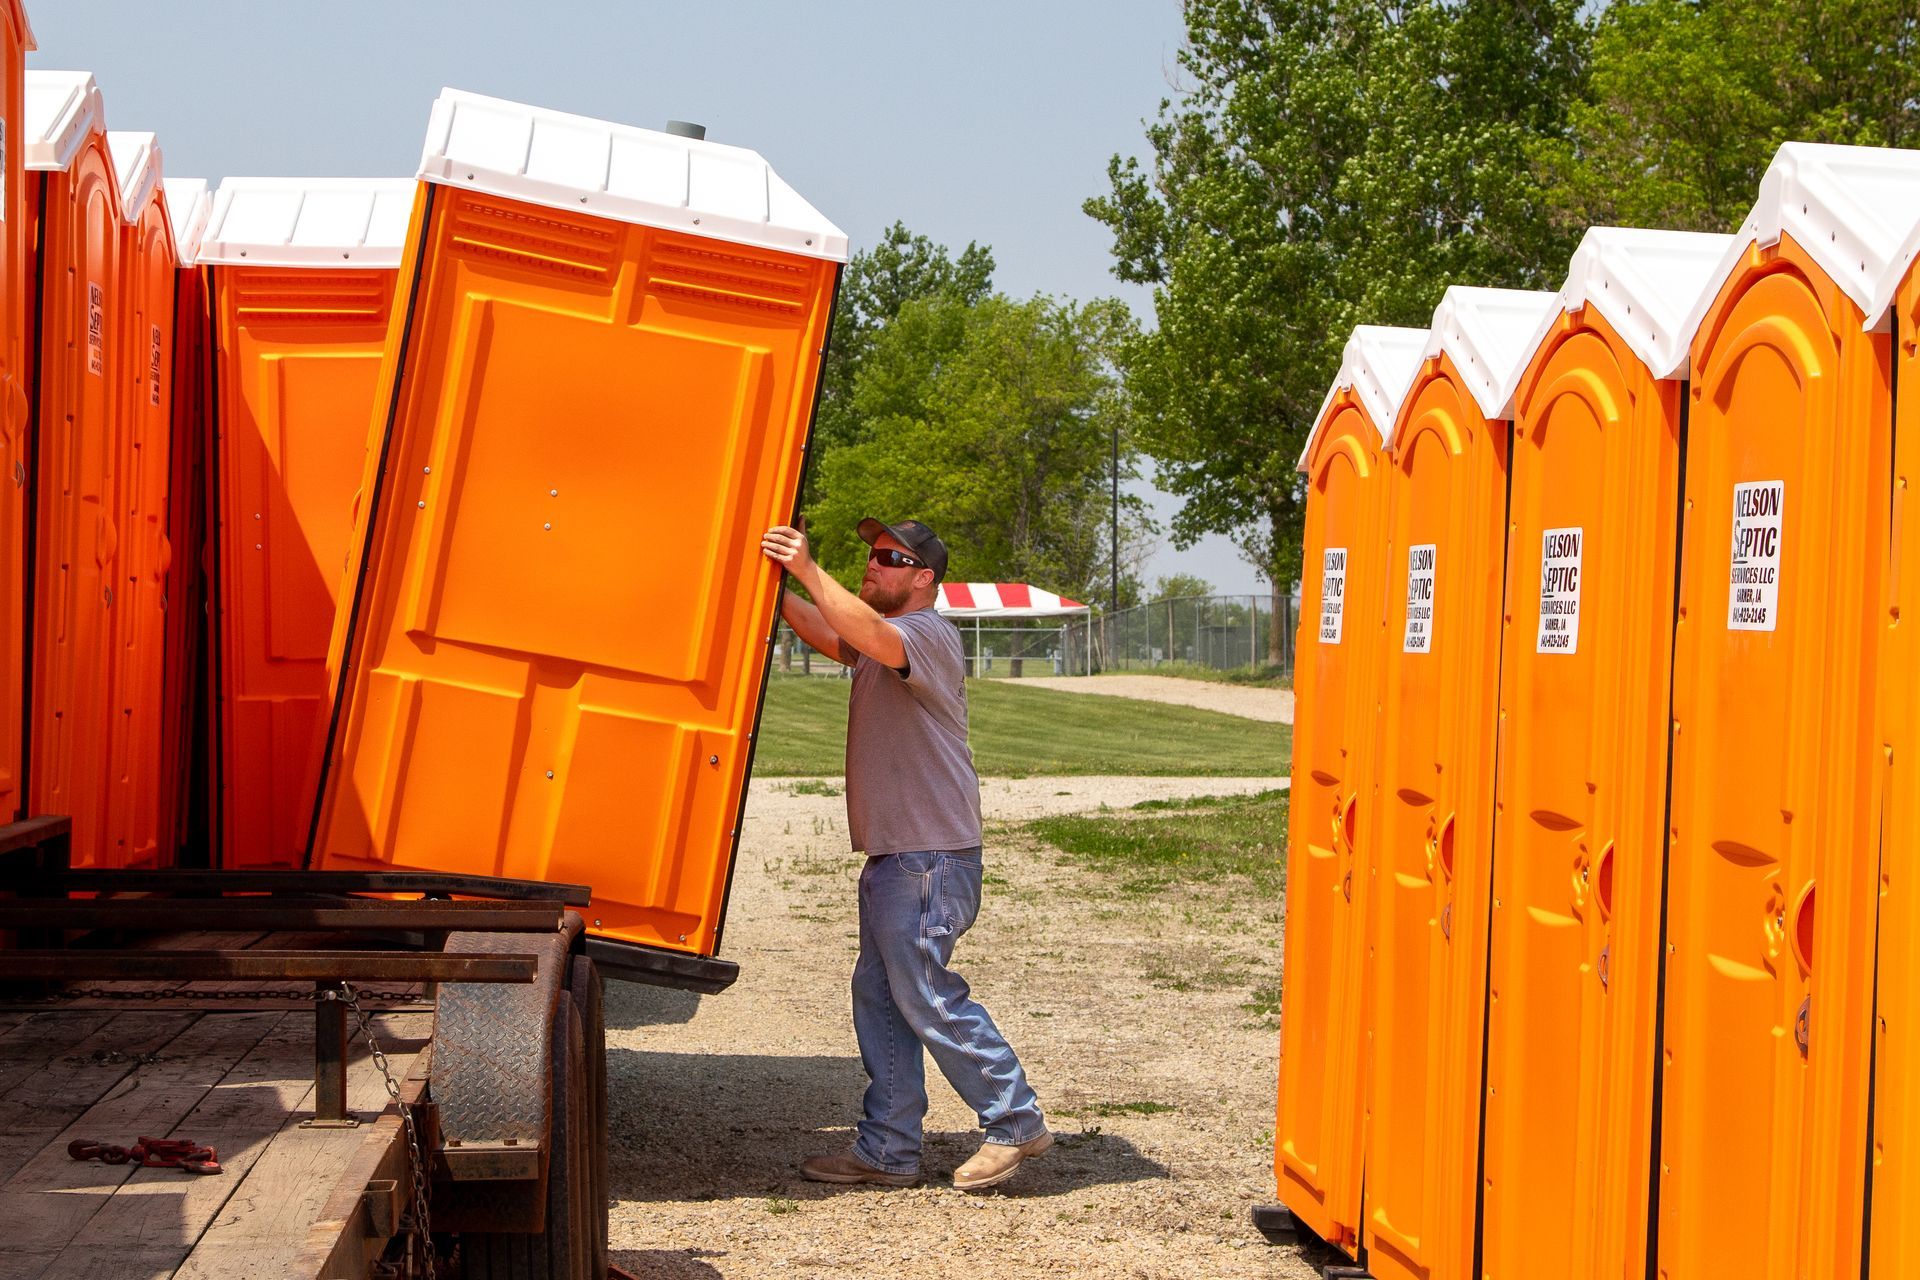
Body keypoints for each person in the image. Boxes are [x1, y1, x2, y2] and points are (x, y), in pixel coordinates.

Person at [760, 515, 1050, 1192]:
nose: (873, 563)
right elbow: (834, 635)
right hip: (900, 855)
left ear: (924, 579)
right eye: (870, 554)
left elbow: (862, 632)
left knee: (923, 990)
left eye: (890, 558)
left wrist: (805, 565)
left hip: (930, 856)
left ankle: (1016, 1119)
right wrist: (774, 590)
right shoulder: (878, 640)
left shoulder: (926, 634)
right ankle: (888, 1148)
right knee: (884, 997)